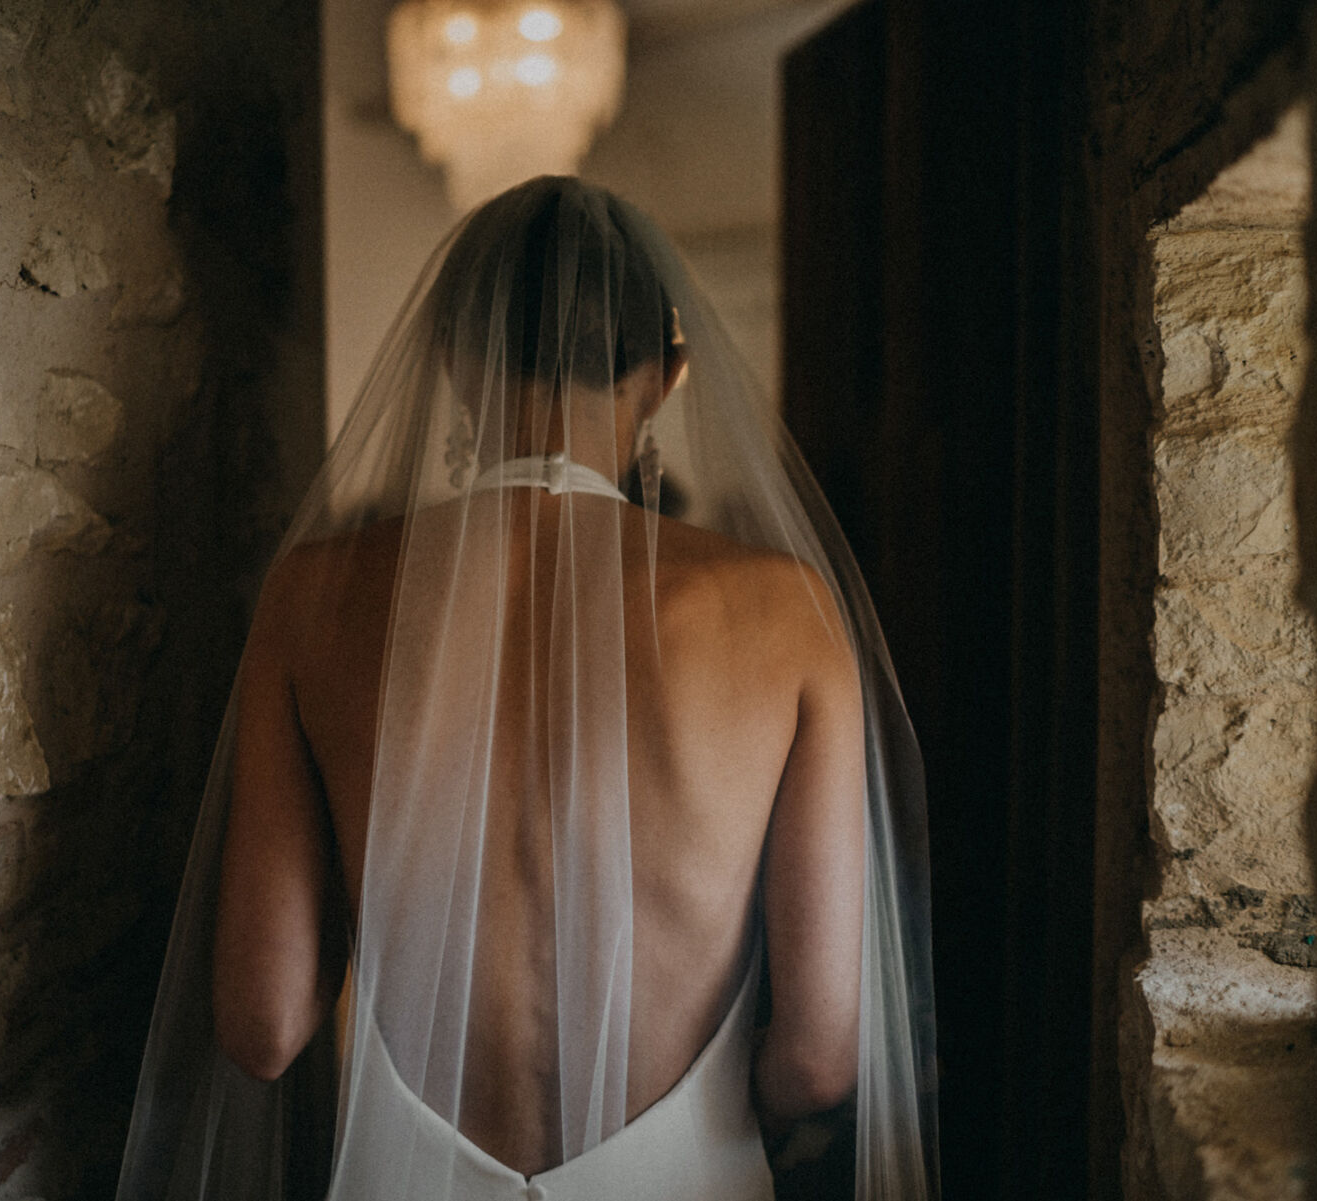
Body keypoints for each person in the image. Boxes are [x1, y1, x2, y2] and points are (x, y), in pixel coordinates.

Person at [115, 176, 938, 1201]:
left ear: (453, 362)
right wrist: (736, 1107)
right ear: (669, 376)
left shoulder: (313, 597)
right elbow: (820, 1058)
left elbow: (264, 1027)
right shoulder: (787, 614)